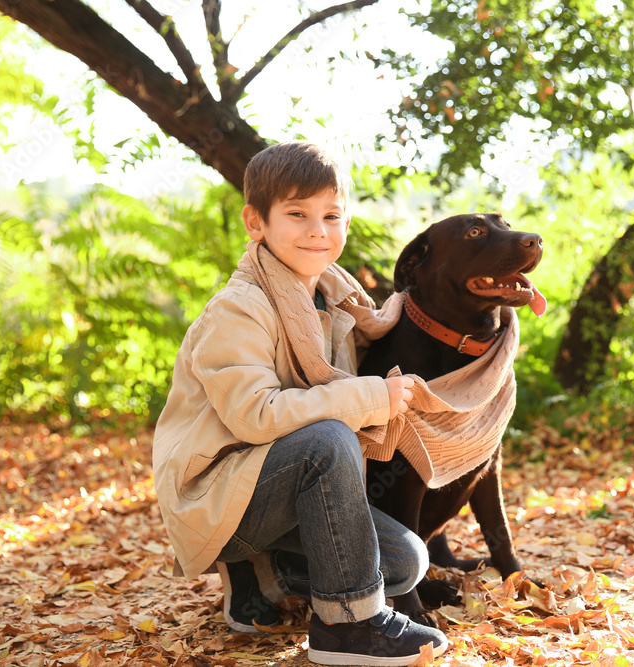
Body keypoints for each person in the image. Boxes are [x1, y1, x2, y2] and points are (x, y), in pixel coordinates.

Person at [152, 141, 449, 666]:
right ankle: (348, 627)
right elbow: (257, 414)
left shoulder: (333, 302)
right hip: (216, 495)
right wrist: (367, 398)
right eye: (297, 213)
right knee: (329, 437)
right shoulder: (240, 308)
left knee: (405, 561)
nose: (318, 230)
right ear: (255, 222)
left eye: (331, 215)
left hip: (270, 487)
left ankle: (262, 577)